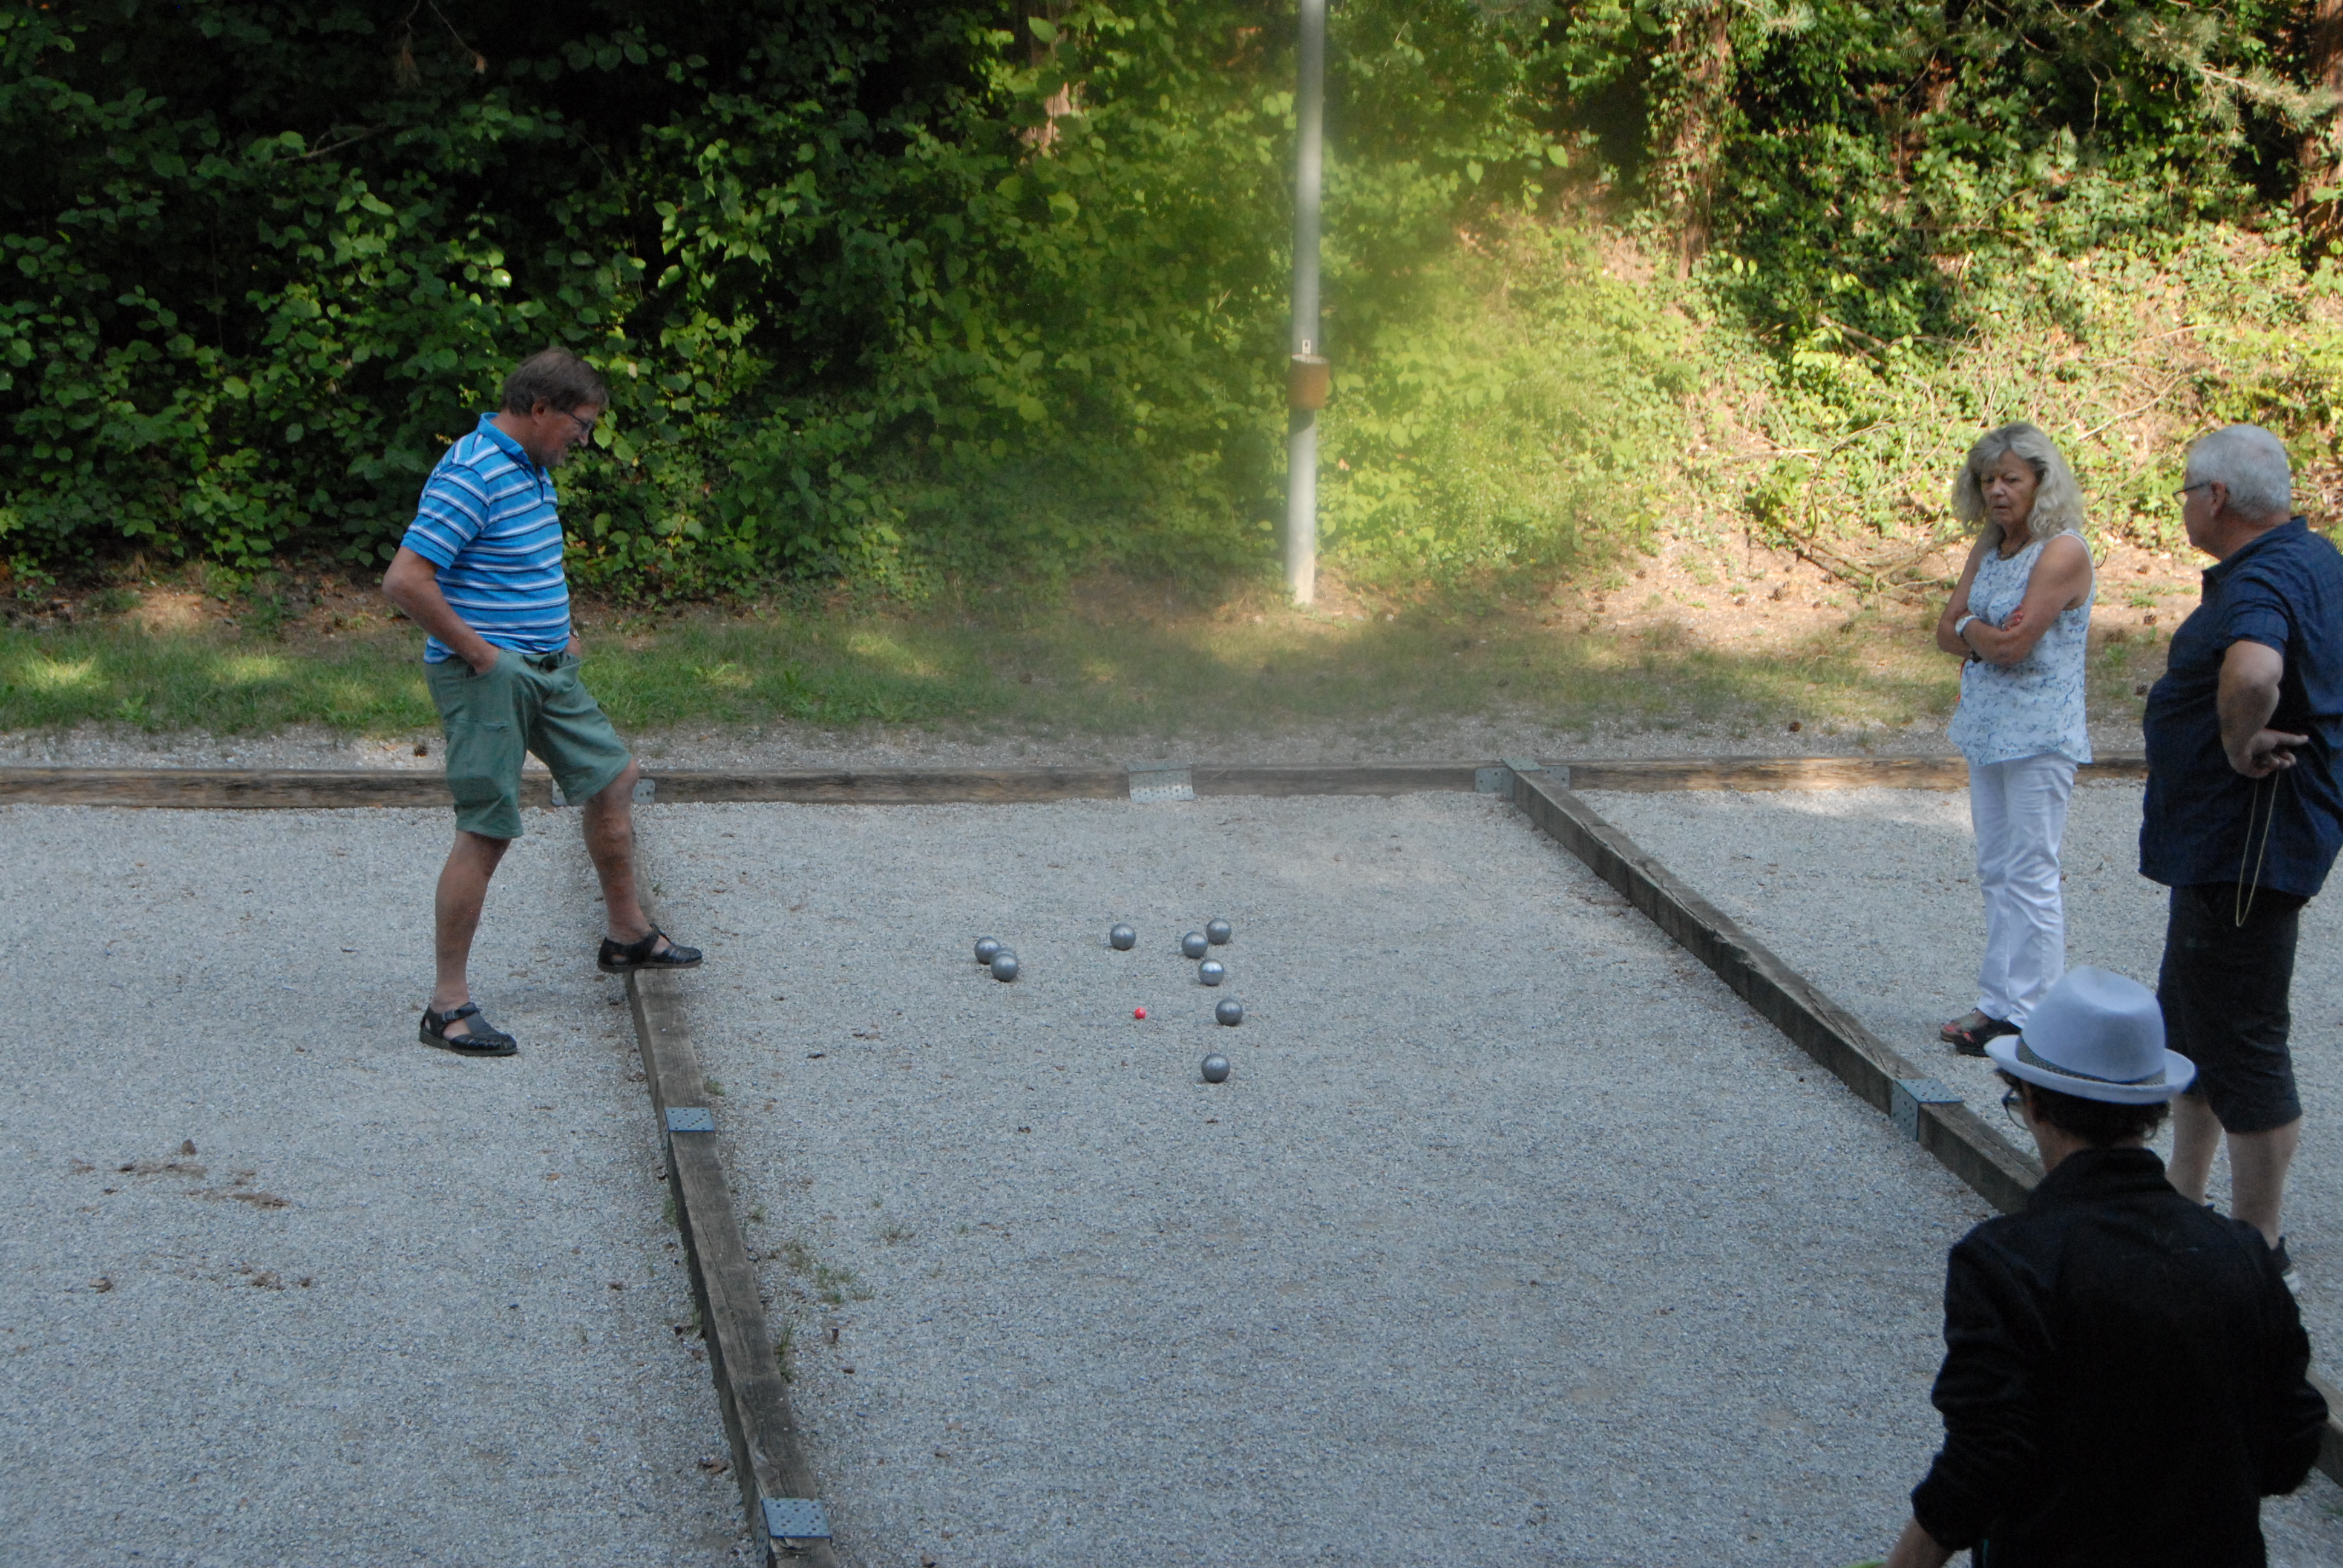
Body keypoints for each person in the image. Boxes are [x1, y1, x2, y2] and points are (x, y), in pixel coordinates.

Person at [1879, 966, 2327, 1568]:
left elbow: (1984, 1460)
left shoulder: (2007, 1261)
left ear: (2035, 1102)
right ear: (2151, 1109)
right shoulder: (2241, 1252)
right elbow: (2292, 1442)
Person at [381, 348, 701, 1057]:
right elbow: (405, 580)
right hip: (489, 676)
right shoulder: (472, 472)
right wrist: (481, 654)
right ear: (538, 409)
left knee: (613, 776)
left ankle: (627, 935)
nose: (583, 441)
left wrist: (562, 630)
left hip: (548, 667)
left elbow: (520, 561)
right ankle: (447, 1007)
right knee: (487, 827)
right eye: (579, 426)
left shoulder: (530, 466)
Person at [2141, 422, 2343, 1275]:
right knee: (2193, 1017)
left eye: (2187, 491)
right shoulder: (2313, 555)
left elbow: (2255, 671)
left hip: (2246, 840)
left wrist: (2236, 743)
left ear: (2216, 498)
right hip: (2226, 844)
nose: (2184, 505)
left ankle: (2257, 1244)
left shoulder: (2261, 577)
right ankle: (2180, 1196)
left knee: (2243, 1033)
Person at [1933, 423, 2097, 1055]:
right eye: (1987, 481)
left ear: (2039, 481)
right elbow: (1944, 631)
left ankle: (2034, 1015)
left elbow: (2010, 646)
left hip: (2039, 734)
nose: (1997, 491)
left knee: (2032, 871)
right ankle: (1996, 1002)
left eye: (2010, 479)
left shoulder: (2061, 552)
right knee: (1996, 869)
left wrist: (1972, 628)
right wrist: (1977, 630)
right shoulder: (1991, 546)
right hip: (1988, 730)